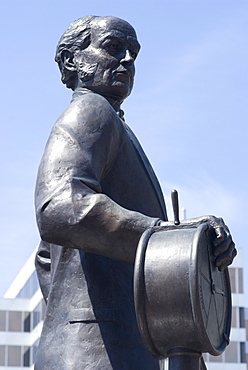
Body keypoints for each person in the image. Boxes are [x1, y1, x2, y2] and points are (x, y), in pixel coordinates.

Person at [34, 16, 236, 369]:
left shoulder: (113, 125)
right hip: (98, 350)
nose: (128, 59)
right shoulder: (91, 111)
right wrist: (173, 238)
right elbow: (59, 207)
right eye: (114, 47)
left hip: (109, 348)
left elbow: (47, 259)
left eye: (134, 53)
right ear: (72, 61)